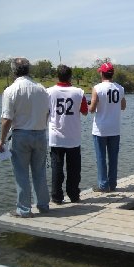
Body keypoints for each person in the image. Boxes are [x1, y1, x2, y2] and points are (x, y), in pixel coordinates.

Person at [0, 58, 50, 217]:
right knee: (40, 172)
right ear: (29, 70)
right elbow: (46, 113)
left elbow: (7, 119)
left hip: (21, 135)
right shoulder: (41, 89)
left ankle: (24, 209)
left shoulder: (10, 90)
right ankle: (43, 205)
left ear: (14, 71)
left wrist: (2, 140)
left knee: (21, 174)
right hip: (40, 134)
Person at [47, 65, 88, 204]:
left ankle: (57, 196)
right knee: (74, 170)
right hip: (73, 137)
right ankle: (74, 195)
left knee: (57, 168)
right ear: (70, 76)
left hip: (56, 137)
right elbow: (85, 111)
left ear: (57, 76)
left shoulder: (48, 92)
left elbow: (45, 112)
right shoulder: (79, 92)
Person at [89, 62, 126, 192]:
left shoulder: (97, 88)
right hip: (115, 128)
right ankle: (113, 184)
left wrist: (89, 106)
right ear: (112, 74)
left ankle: (103, 185)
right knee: (113, 158)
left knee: (101, 158)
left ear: (102, 73)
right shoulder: (120, 88)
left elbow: (92, 109)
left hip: (100, 129)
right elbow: (123, 106)